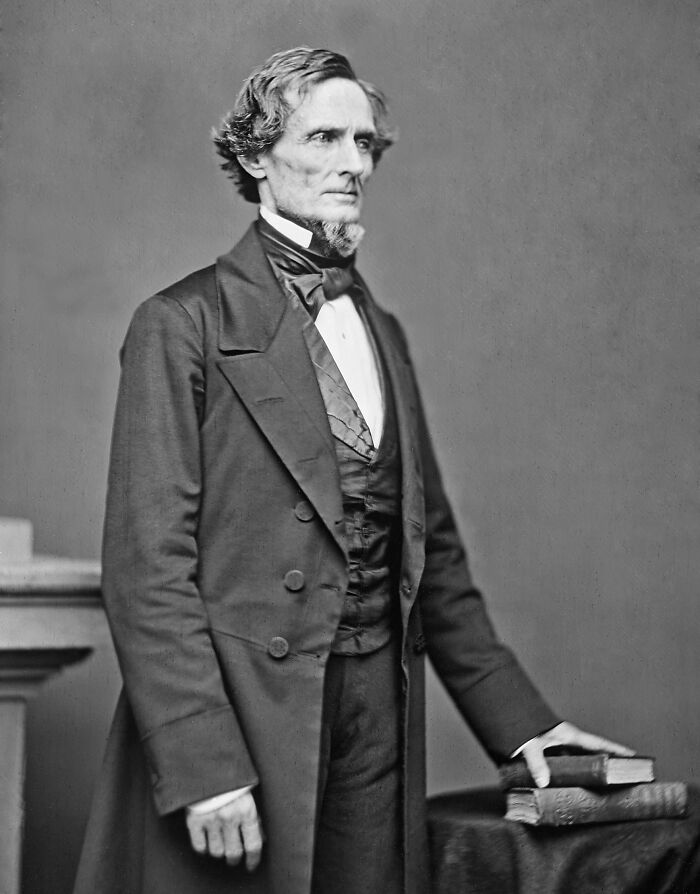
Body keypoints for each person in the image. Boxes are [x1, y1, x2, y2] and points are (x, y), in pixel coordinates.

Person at [73, 47, 632, 894]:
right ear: (256, 156)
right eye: (324, 136)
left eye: (364, 143)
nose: (352, 164)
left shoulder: (384, 331)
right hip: (244, 721)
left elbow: (432, 554)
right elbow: (148, 570)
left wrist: (527, 731)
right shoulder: (180, 323)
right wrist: (202, 764)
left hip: (378, 717)